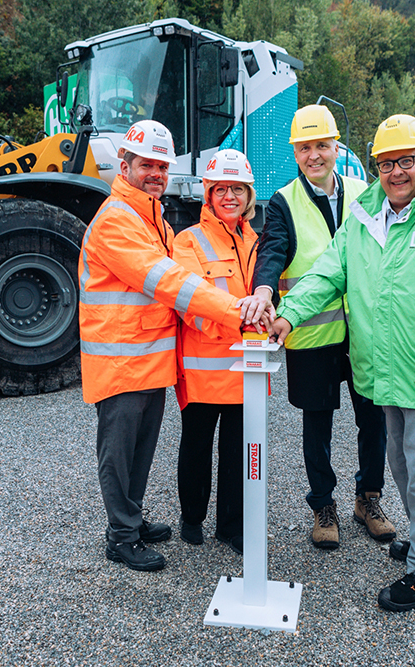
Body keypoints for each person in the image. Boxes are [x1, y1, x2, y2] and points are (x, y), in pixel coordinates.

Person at [270, 114, 415, 611]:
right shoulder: (365, 217)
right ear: (375, 167)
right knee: (402, 465)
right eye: (386, 163)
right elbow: (328, 273)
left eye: (407, 161)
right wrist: (287, 315)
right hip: (386, 374)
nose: (396, 172)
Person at [78, 120, 271, 572]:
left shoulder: (153, 219)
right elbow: (168, 282)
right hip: (120, 358)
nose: (156, 174)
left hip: (148, 358)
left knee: (140, 449)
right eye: (146, 165)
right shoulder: (117, 221)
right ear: (123, 166)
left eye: (162, 167)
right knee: (119, 451)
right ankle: (121, 536)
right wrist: (235, 309)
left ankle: (133, 518)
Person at [251, 104, 393, 550]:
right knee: (319, 423)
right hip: (311, 331)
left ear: (336, 147)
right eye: (305, 148)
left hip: (365, 329)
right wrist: (264, 290)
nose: (315, 155)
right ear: (295, 153)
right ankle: (323, 504)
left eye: (322, 146)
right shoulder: (282, 201)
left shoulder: (365, 192)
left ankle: (368, 497)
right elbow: (273, 251)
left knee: (374, 418)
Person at [172, 149, 261, 556]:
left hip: (247, 369)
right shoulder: (188, 241)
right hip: (204, 367)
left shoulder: (256, 241)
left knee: (238, 454)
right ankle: (192, 518)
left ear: (248, 195)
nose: (229, 196)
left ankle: (231, 525)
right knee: (196, 446)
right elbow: (190, 303)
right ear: (208, 194)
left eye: (237, 189)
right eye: (221, 189)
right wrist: (242, 321)